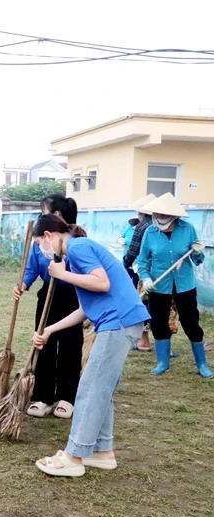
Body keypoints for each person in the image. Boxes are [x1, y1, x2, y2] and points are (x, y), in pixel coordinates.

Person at [31, 214, 150, 478]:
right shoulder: (75, 255)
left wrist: (63, 274)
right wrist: (49, 329)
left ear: (48, 236)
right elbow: (86, 307)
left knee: (90, 387)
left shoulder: (79, 247)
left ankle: (73, 456)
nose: (41, 249)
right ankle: (102, 451)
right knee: (101, 387)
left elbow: (102, 282)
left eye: (40, 243)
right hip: (119, 322)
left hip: (118, 321)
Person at [13, 194, 83, 418]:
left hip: (72, 296)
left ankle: (67, 397)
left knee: (70, 346)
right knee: (43, 342)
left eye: (44, 211)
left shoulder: (76, 241)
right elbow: (32, 268)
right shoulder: (39, 240)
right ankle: (42, 396)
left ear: (57, 215)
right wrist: (22, 285)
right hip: (47, 296)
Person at [135, 193, 210, 378]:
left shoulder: (187, 229)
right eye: (156, 214)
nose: (159, 217)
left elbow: (196, 258)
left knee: (191, 323)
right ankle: (163, 362)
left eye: (162, 214)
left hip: (184, 284)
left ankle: (202, 364)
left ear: (173, 215)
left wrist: (199, 253)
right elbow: (142, 261)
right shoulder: (150, 232)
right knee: (159, 322)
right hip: (158, 285)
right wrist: (145, 278)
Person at [122, 194, 156, 352]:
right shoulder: (167, 225)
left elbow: (133, 252)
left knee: (143, 304)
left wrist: (126, 264)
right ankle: (165, 346)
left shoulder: (142, 227)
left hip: (144, 273)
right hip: (165, 275)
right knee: (164, 308)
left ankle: (144, 342)